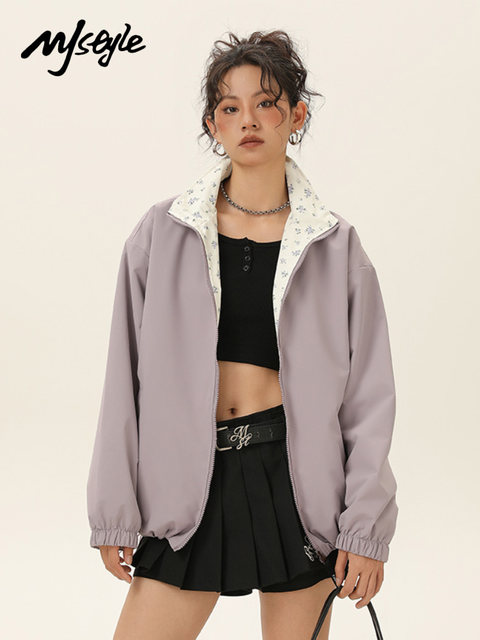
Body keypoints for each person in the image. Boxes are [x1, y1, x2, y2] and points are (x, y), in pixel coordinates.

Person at [87, 30, 398, 640]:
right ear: (213, 124)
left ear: (297, 115)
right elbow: (122, 380)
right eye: (230, 107)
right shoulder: (163, 233)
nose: (248, 120)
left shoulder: (335, 246)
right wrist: (114, 509)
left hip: (298, 486)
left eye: (266, 103)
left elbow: (369, 400)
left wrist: (364, 529)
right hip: (187, 486)